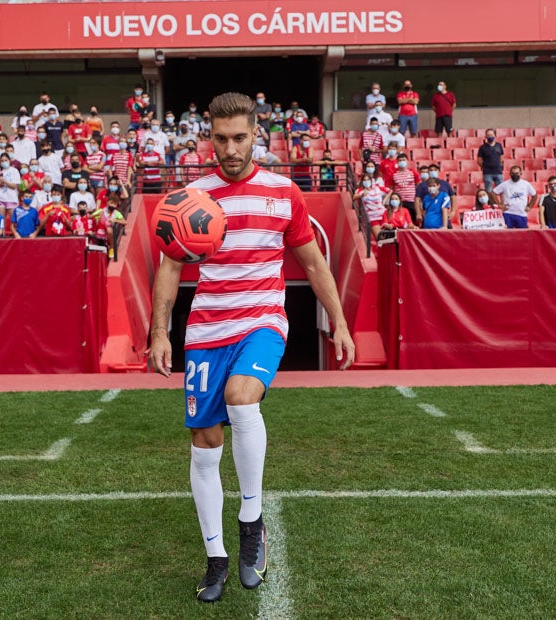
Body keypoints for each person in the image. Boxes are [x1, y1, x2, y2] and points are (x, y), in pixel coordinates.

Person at [147, 92, 355, 604]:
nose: (230, 148)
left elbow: (311, 263)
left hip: (262, 320)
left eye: (240, 137)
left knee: (243, 398)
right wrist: (158, 331)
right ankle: (216, 557)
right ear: (209, 139)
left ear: (256, 135)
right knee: (204, 447)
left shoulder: (284, 192)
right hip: (205, 331)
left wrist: (340, 322)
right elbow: (170, 269)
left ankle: (251, 520)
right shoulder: (189, 198)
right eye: (220, 138)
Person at [355, 172, 388, 241]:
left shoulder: (377, 188)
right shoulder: (360, 190)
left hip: (383, 214)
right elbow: (354, 197)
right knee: (380, 237)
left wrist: (384, 201)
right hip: (372, 217)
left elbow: (390, 190)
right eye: (364, 180)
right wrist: (361, 195)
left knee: (387, 238)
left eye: (368, 180)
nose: (366, 182)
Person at [390, 153, 421, 223]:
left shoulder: (413, 172)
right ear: (397, 162)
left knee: (413, 221)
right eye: (400, 160)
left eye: (403, 160)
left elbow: (419, 184)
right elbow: (391, 188)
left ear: (407, 161)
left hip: (411, 201)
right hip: (400, 202)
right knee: (402, 221)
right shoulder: (394, 174)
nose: (402, 162)